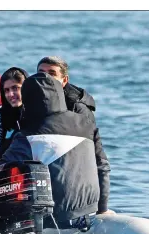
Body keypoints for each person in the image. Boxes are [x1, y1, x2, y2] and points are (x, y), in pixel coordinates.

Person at [0, 73, 112, 232]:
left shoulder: (28, 134)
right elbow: (103, 168)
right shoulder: (87, 124)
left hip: (53, 221)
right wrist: (103, 209)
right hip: (88, 216)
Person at [37, 56, 112, 215]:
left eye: (52, 73)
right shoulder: (33, 103)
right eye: (41, 73)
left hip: (75, 187)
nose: (46, 78)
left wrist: (102, 209)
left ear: (64, 80)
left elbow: (98, 160)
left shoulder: (78, 109)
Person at [0, 67, 29, 173]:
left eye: (15, 88)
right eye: (6, 90)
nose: (10, 94)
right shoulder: (3, 115)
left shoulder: (35, 113)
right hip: (1, 173)